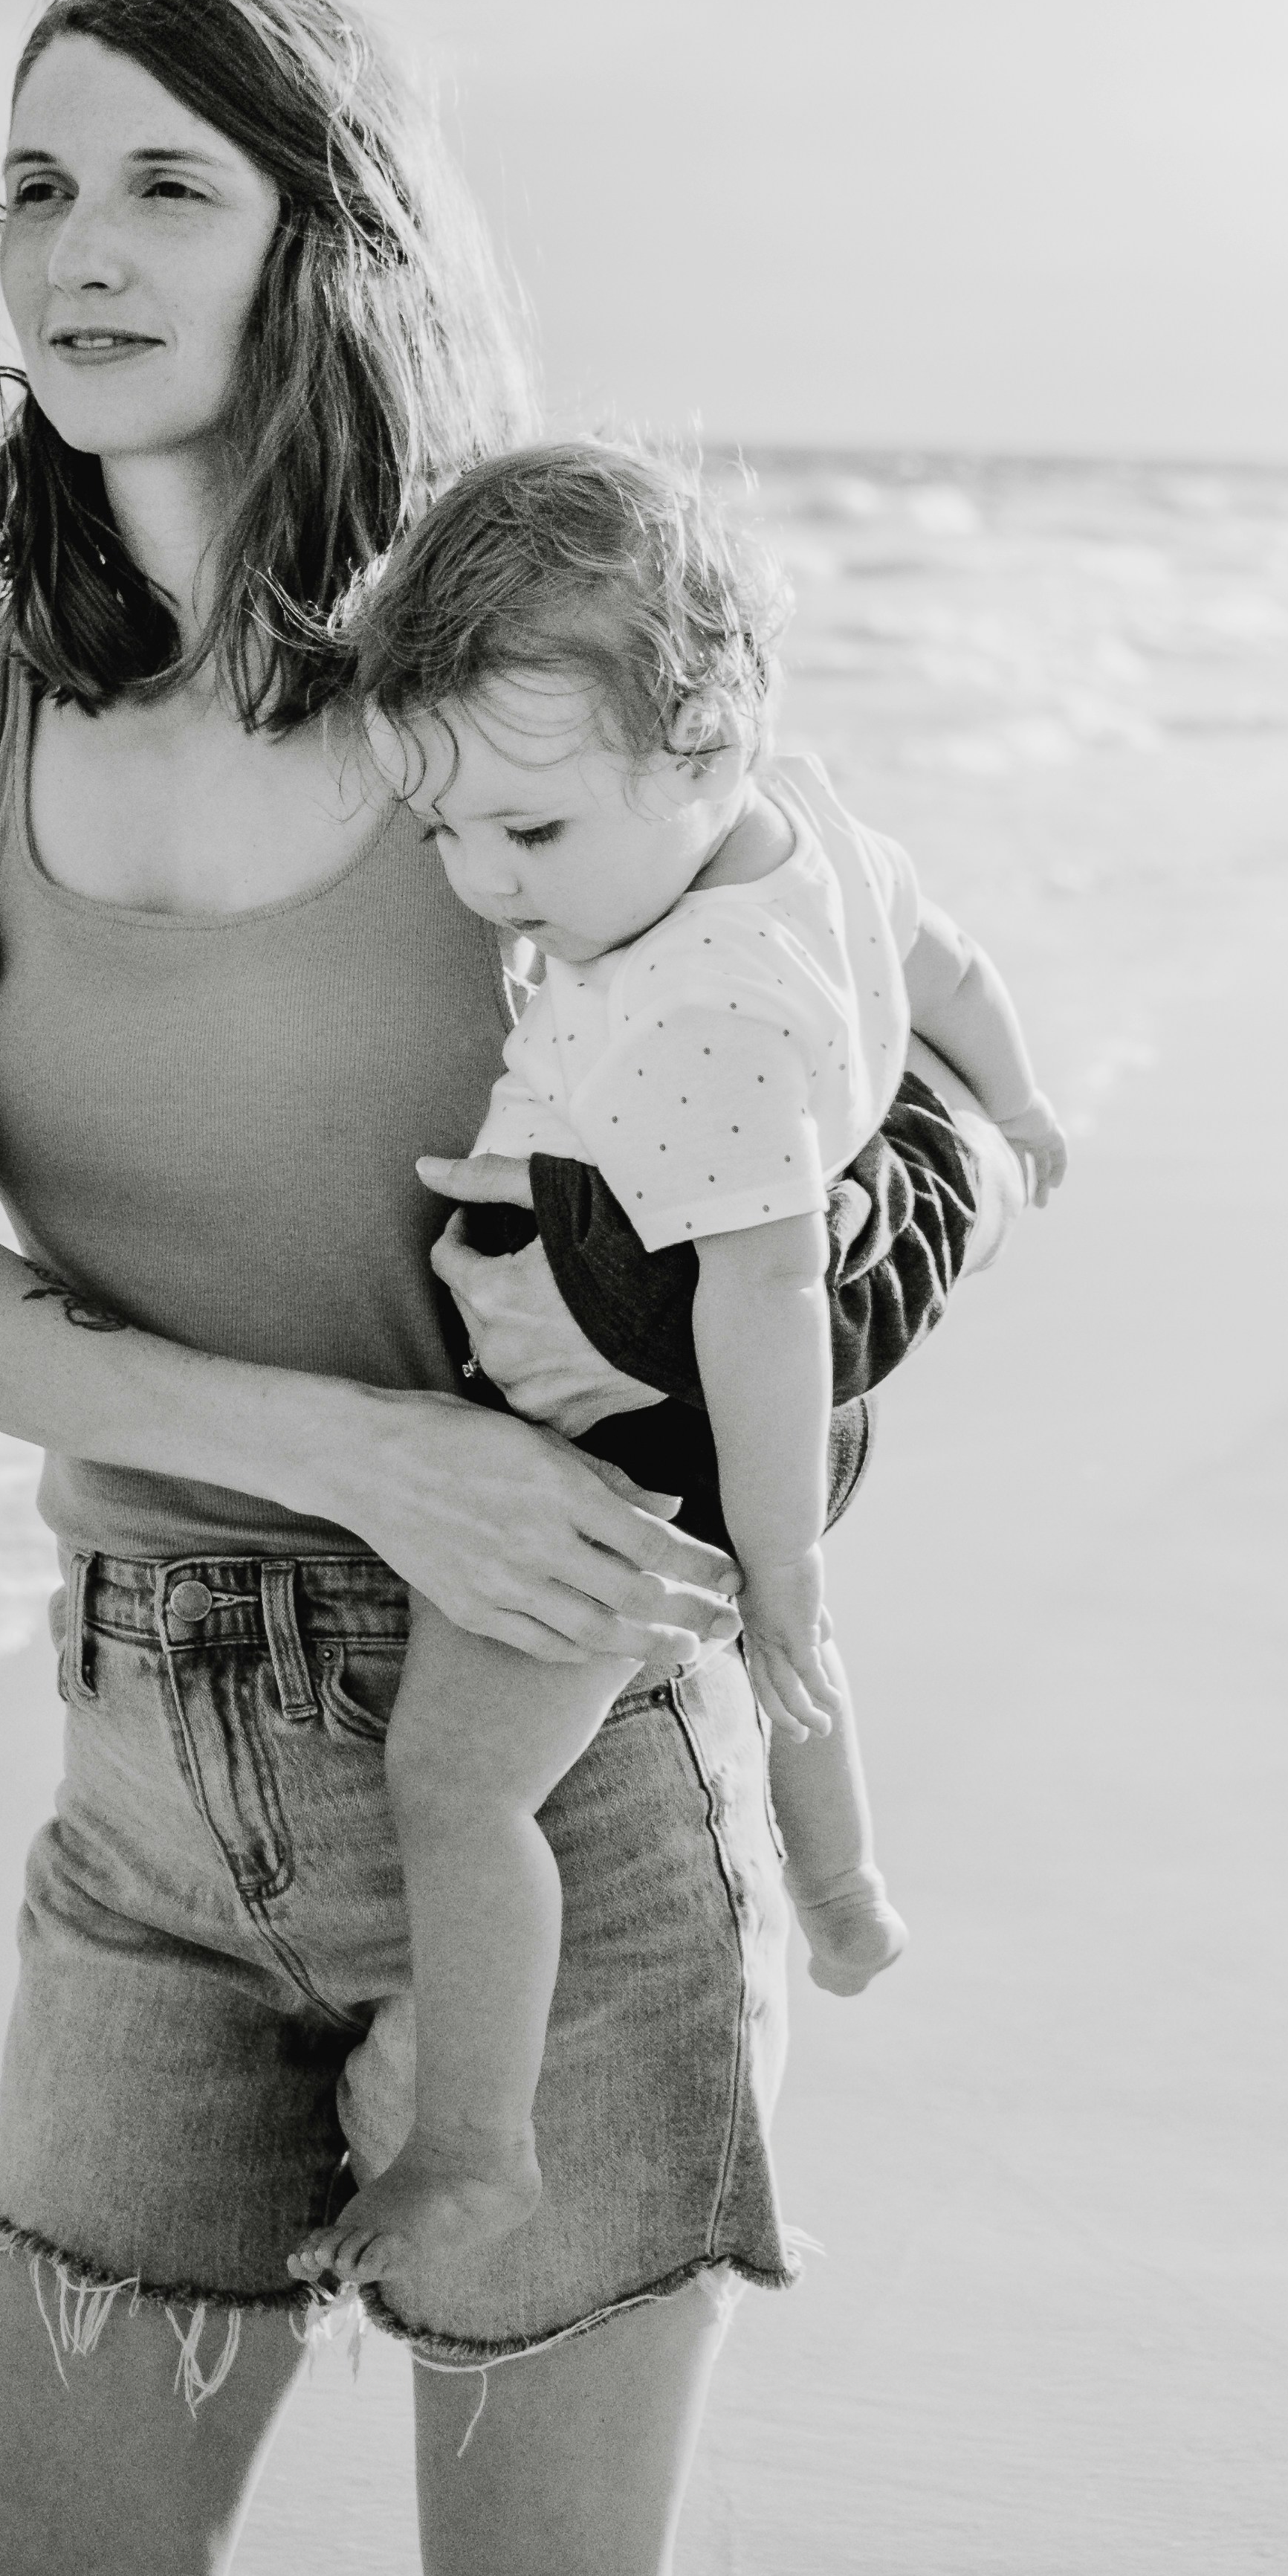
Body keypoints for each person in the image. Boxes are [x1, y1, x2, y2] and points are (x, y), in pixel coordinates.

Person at [0, 0, 822, 2576]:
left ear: (324, 243)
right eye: (28, 183)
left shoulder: (503, 704)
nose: (74, 244)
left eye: (162, 181)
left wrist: (766, 1418)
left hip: (528, 1811)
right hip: (147, 1800)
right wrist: (344, 1450)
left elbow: (883, 1063)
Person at [284, 441, 1068, 2310]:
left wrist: (768, 1549)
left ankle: (474, 2144)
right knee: (781, 1642)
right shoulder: (810, 825)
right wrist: (1021, 1096)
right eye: (446, 836)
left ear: (700, 745)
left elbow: (767, 1291)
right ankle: (848, 1888)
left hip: (658, 1437)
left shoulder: (707, 1003)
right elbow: (944, 959)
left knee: (462, 1783)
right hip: (750, 1439)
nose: (482, 886)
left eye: (528, 836)